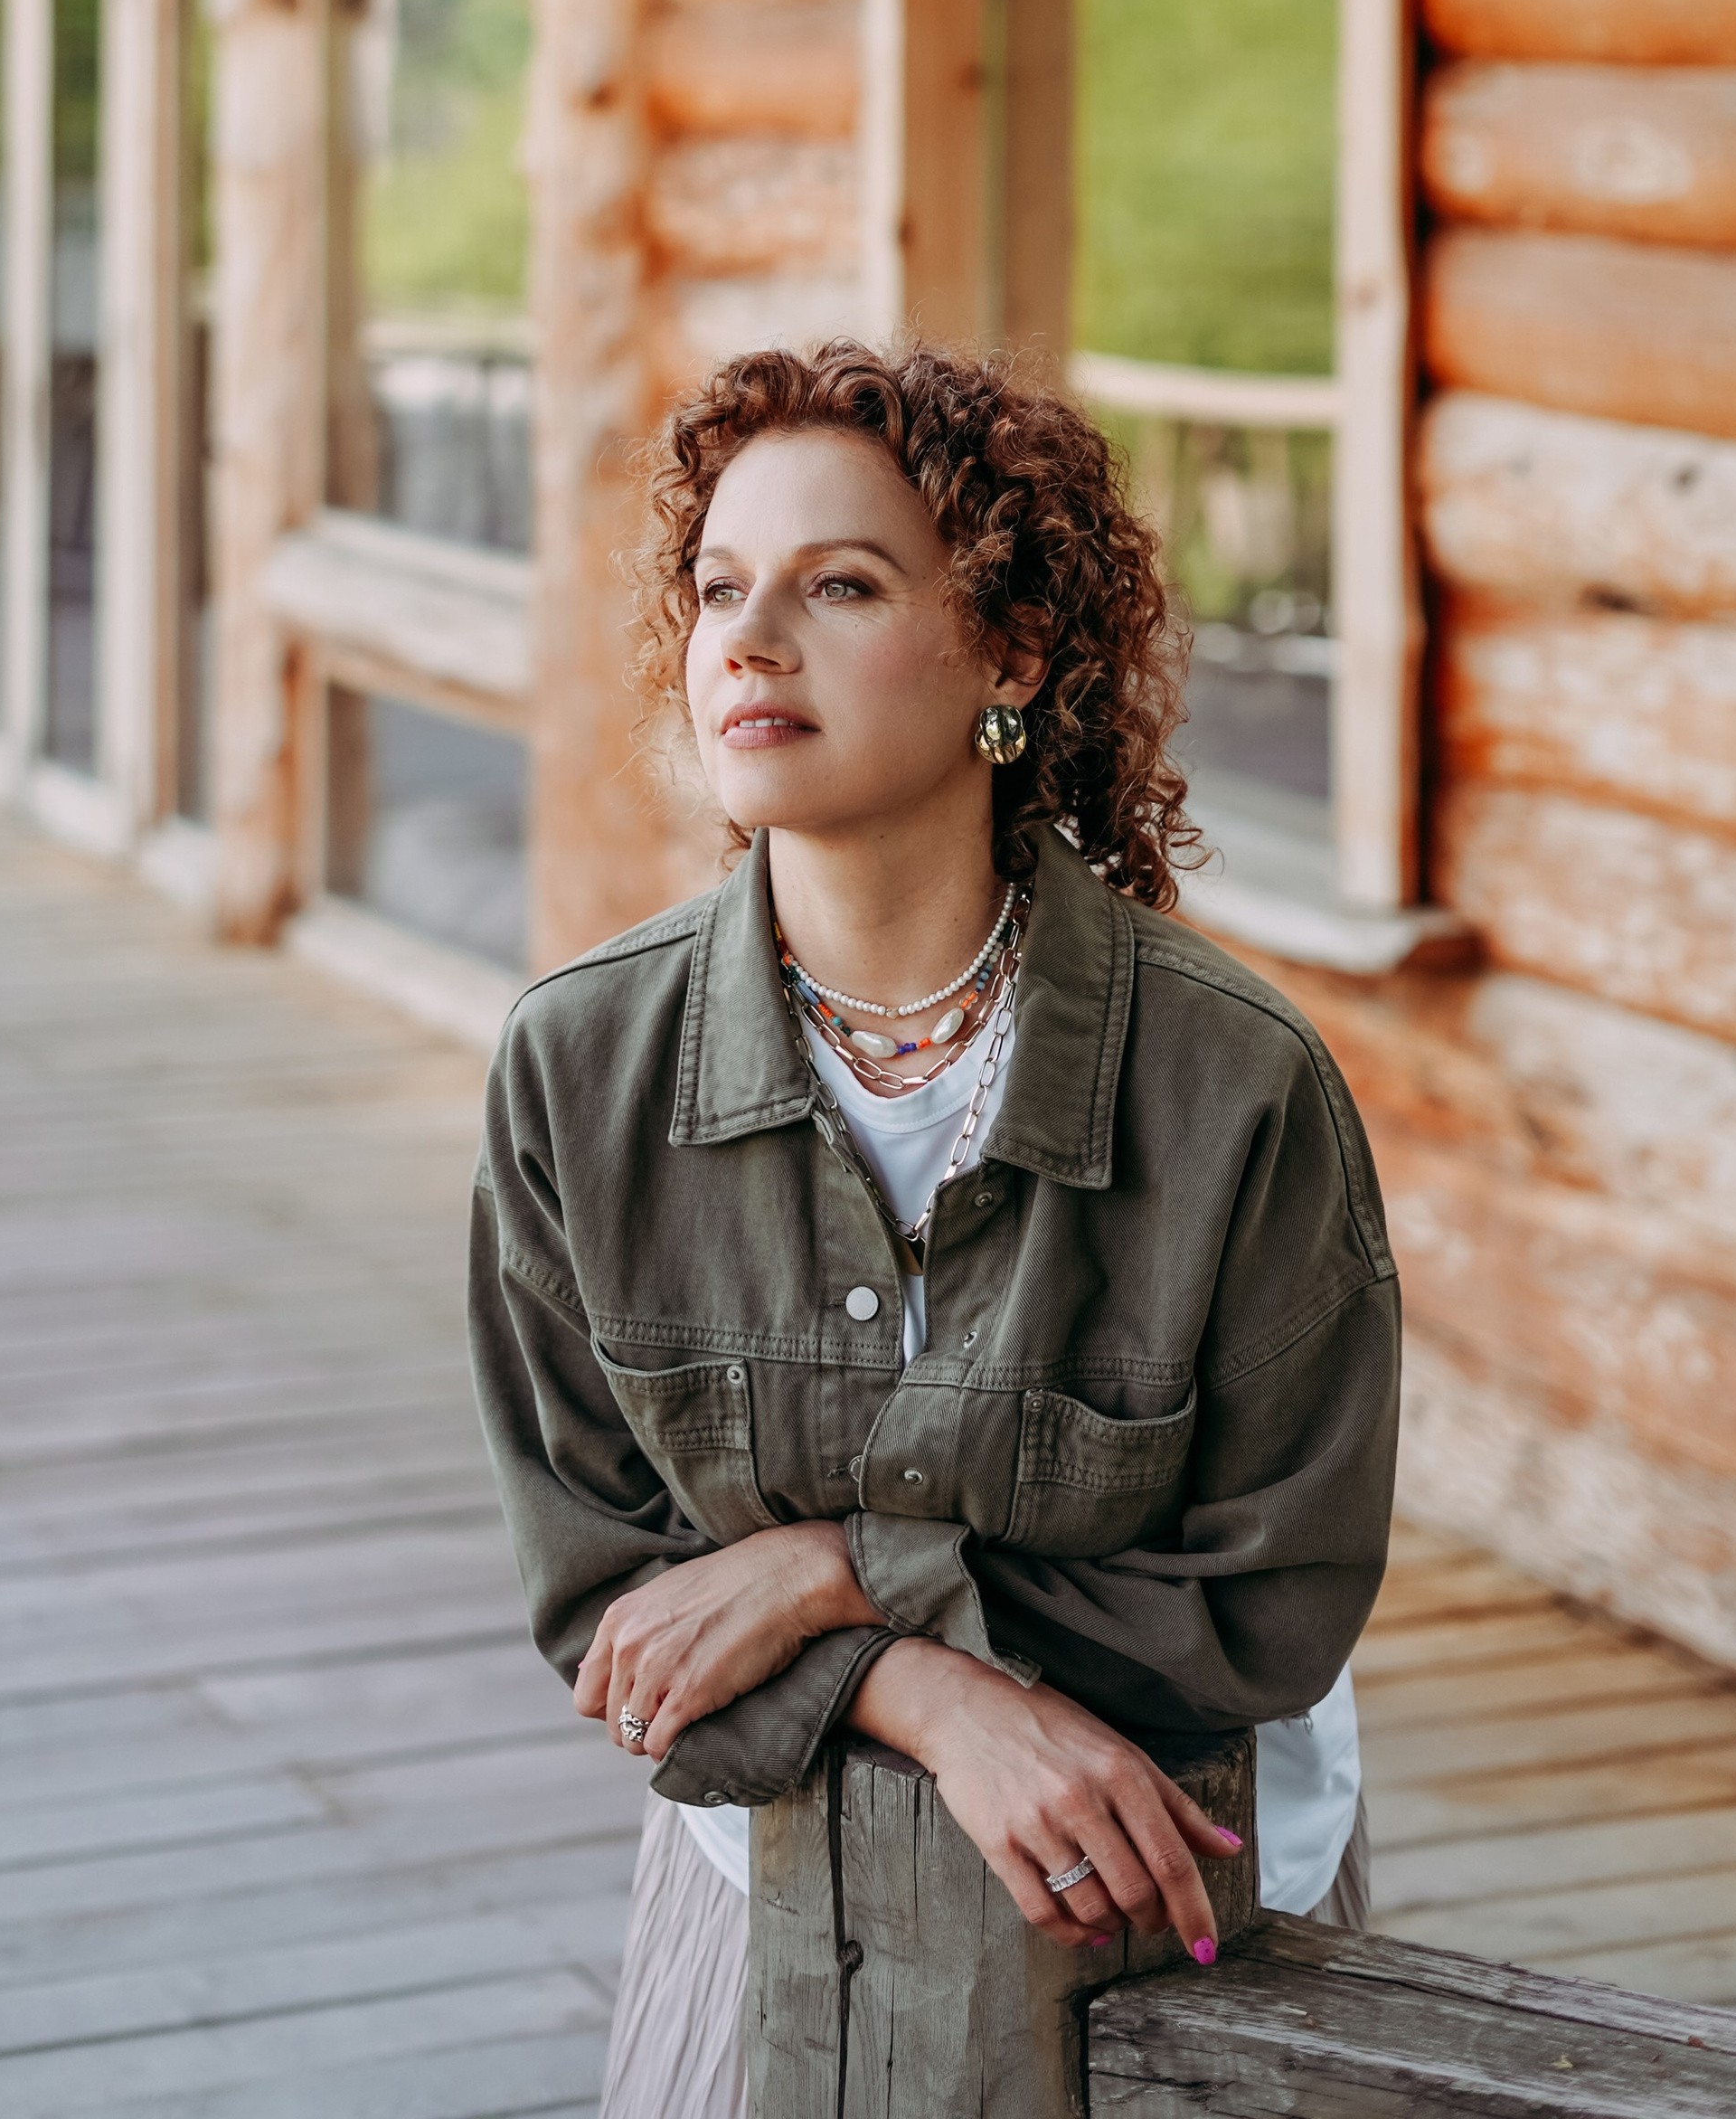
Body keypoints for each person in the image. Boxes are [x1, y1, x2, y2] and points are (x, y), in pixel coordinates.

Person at [469, 343, 1398, 2114]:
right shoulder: (574, 1071)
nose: (748, 639)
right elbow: (608, 1600)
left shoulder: (1230, 1085)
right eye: (721, 586)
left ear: (1008, 651)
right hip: (774, 1911)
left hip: (1167, 1902)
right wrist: (924, 1687)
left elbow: (1270, 1598)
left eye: (840, 584)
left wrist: (825, 1572)